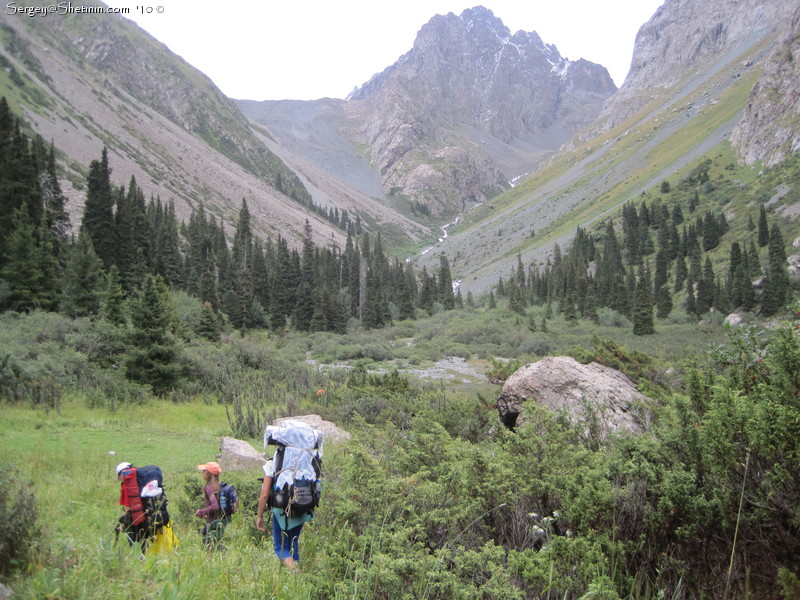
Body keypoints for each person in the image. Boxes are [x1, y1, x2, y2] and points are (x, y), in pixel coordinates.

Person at [256, 455, 313, 570]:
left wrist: (259, 515)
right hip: (303, 506)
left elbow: (264, 494)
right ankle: (297, 576)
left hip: (281, 510)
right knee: (293, 543)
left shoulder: (273, 464)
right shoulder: (304, 461)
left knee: (281, 547)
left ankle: (295, 575)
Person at [116, 461, 148, 551]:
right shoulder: (139, 480)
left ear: (121, 473)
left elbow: (127, 507)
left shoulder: (127, 485)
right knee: (144, 540)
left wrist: (124, 522)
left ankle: (139, 561)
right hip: (144, 513)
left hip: (133, 517)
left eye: (119, 476)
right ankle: (148, 559)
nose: (119, 479)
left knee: (133, 542)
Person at [195, 461, 227, 551]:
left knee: (208, 545)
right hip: (220, 521)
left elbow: (215, 506)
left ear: (208, 474)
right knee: (217, 543)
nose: (202, 473)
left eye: (204, 471)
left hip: (212, 522)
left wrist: (202, 511)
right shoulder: (219, 486)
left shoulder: (209, 487)